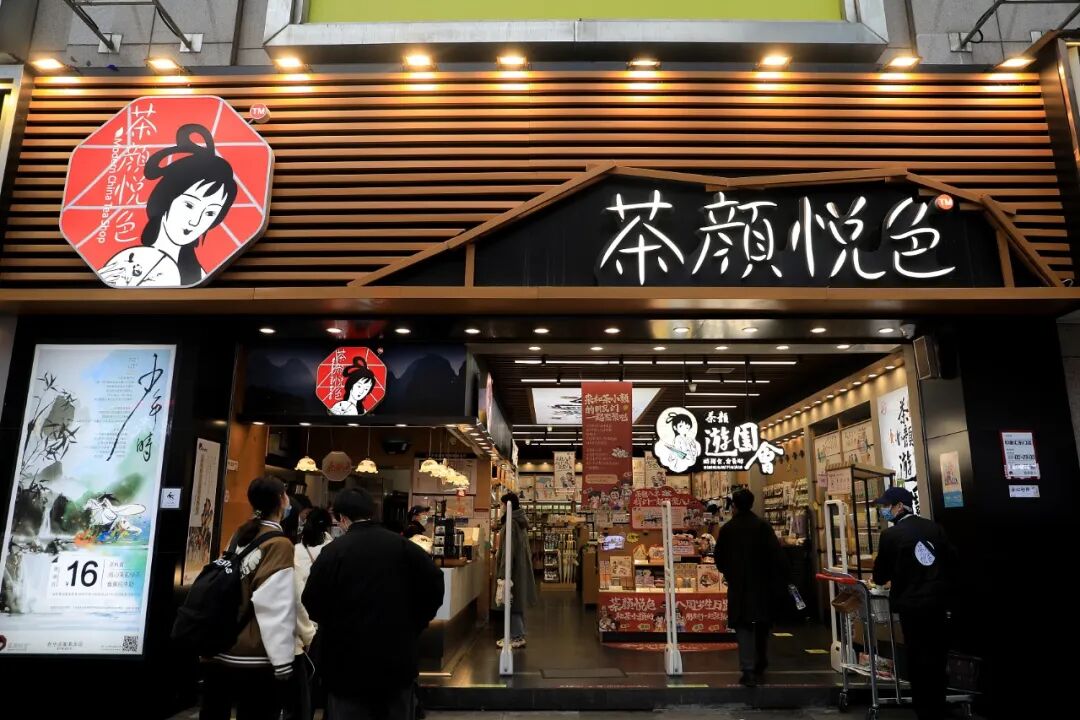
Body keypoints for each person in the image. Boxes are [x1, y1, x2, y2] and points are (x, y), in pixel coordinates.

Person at [303, 489, 444, 720]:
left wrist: (334, 624)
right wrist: (415, 623)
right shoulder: (404, 547)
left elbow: (311, 600)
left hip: (345, 664)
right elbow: (434, 586)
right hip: (397, 660)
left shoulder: (333, 552)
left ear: (342, 518)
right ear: (372, 512)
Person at [200, 476, 296, 720]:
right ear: (281, 500)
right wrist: (282, 660)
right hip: (253, 653)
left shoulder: (240, 534)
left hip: (221, 644)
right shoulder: (279, 544)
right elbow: (275, 605)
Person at [100, 124, 237, 288]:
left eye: (210, 213)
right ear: (166, 198)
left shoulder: (200, 276)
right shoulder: (123, 261)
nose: (195, 221)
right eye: (189, 205)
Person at [872, 487, 958, 720]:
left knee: (917, 654)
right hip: (937, 603)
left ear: (900, 506)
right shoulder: (934, 528)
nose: (884, 510)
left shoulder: (890, 536)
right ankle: (938, 704)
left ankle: (923, 708)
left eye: (887, 506)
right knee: (937, 653)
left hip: (910, 606)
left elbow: (879, 576)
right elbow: (952, 560)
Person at [713, 488, 788, 687]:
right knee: (762, 623)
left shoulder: (728, 529)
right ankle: (760, 662)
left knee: (743, 626)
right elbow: (777, 556)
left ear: (734, 506)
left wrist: (729, 573)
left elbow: (719, 558)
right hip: (763, 585)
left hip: (738, 586)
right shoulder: (763, 526)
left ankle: (747, 670)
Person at [290, 507, 333, 720]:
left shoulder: (295, 550)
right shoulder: (332, 549)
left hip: (303, 623)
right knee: (328, 676)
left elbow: (295, 593)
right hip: (326, 622)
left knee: (306, 679)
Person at [494, 491, 538, 649]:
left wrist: (503, 574)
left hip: (513, 570)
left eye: (502, 504)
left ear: (507, 505)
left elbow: (508, 550)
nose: (500, 507)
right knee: (515, 601)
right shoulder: (519, 521)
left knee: (512, 602)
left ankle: (516, 636)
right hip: (519, 568)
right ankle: (516, 634)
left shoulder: (511, 523)